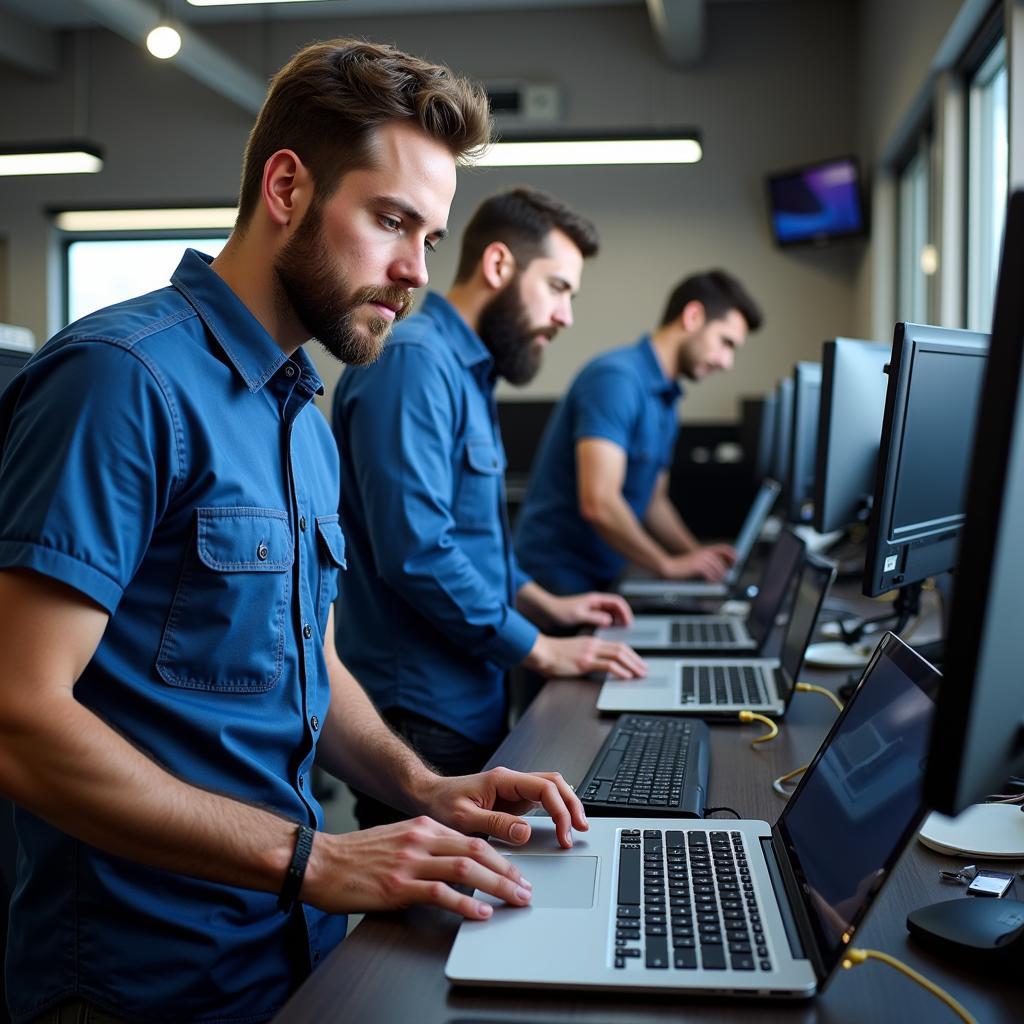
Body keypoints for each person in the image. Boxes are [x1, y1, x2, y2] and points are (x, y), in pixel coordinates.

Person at [0, 40, 590, 1024]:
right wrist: (312, 856)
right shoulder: (119, 381)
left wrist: (425, 785)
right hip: (142, 982)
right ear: (286, 187)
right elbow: (20, 717)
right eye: (390, 220)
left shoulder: (300, 416)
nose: (413, 272)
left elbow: (310, 666)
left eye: (430, 238)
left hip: (290, 946)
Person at [332, 188, 646, 828]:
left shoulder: (467, 371)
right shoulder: (414, 363)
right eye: (558, 288)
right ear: (499, 266)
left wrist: (544, 605)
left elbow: (474, 540)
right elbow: (418, 553)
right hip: (422, 711)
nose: (565, 316)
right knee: (429, 925)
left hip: (467, 694)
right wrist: (542, 649)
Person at [514, 269, 763, 595]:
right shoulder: (617, 379)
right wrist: (667, 565)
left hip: (601, 579)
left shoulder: (666, 398)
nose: (727, 362)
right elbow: (600, 502)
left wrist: (694, 556)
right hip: (552, 585)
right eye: (725, 343)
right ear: (693, 316)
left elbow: (653, 502)